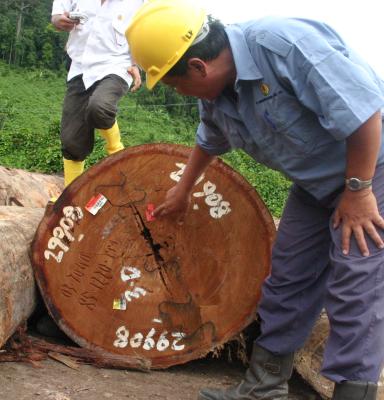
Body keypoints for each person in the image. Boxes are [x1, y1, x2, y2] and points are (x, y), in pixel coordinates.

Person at [126, 1, 384, 399]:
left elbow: (366, 115)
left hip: (371, 170)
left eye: (177, 84)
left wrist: (358, 190)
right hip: (315, 185)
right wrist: (183, 188)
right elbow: (209, 136)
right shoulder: (216, 91)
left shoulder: (284, 44)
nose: (180, 92)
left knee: (355, 282)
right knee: (288, 276)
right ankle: (263, 388)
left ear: (198, 66)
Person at [51, 0, 143, 187]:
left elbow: (144, 31)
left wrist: (136, 63)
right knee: (71, 141)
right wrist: (59, 20)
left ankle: (116, 151)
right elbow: (57, 16)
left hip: (117, 65)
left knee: (100, 106)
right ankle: (72, 195)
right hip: (79, 65)